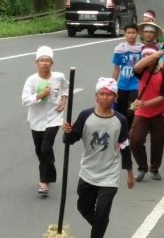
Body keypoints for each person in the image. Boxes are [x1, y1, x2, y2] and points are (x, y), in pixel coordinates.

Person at [62, 77, 134, 238]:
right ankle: (100, 228)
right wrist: (66, 133)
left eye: (109, 94)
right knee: (84, 208)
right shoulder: (85, 115)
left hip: (109, 175)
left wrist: (129, 172)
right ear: (96, 96)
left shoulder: (120, 120)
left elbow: (125, 146)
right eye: (102, 93)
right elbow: (71, 140)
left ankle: (98, 232)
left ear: (115, 97)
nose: (105, 97)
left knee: (102, 213)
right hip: (88, 172)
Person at [21, 46, 69, 195]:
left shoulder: (59, 77)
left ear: (52, 63)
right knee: (39, 150)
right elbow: (25, 100)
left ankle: (44, 183)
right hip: (36, 120)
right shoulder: (31, 80)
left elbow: (66, 87)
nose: (44, 63)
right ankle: (48, 169)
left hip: (54, 118)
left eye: (47, 60)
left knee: (45, 148)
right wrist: (40, 95)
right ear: (36, 62)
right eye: (41, 60)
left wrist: (63, 99)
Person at [130, 43, 164, 182]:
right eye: (145, 56)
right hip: (142, 114)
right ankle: (142, 167)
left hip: (159, 113)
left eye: (150, 55)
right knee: (135, 140)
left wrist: (144, 103)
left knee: (157, 143)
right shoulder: (140, 71)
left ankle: (154, 168)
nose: (147, 58)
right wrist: (153, 55)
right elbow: (136, 66)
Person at [112, 23, 143, 129]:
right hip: (122, 86)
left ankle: (130, 132)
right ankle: (123, 135)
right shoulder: (119, 49)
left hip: (136, 86)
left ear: (137, 34)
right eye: (128, 33)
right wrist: (113, 86)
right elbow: (116, 68)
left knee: (131, 112)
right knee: (121, 113)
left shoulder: (142, 50)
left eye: (133, 33)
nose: (131, 35)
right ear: (124, 34)